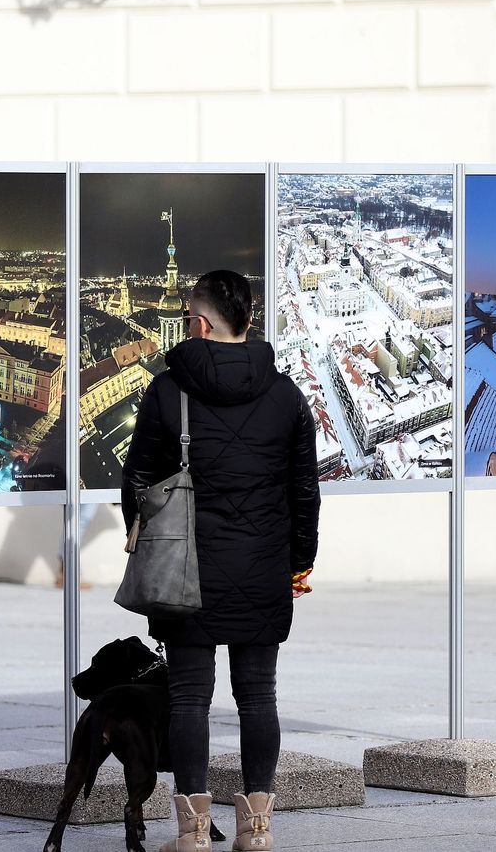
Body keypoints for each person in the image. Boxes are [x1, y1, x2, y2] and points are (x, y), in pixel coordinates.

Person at [121, 269, 320, 852]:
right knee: (259, 696)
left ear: (201, 323)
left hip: (187, 570)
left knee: (189, 699)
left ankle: (190, 835)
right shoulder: (287, 395)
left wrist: (143, 534)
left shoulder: (167, 391)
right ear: (248, 321)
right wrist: (297, 564)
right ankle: (256, 830)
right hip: (263, 568)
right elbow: (304, 493)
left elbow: (137, 481)